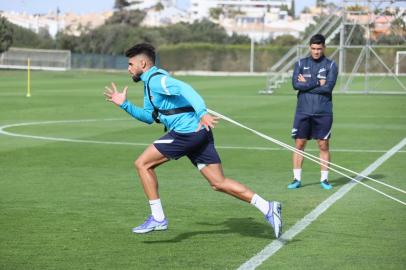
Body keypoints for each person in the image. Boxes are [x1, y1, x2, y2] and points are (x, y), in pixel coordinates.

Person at [104, 43, 282, 238]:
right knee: (218, 182)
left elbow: (186, 89)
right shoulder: (149, 86)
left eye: (130, 64)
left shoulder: (157, 80)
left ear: (143, 63)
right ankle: (268, 207)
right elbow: (148, 117)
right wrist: (125, 105)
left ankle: (158, 218)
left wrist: (203, 113)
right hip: (199, 134)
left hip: (186, 133)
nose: (128, 68)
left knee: (142, 164)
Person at [288, 34, 338, 190]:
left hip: (323, 112)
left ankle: (324, 180)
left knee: (323, 145)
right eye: (313, 48)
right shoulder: (301, 64)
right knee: (299, 144)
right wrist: (317, 82)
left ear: (324, 48)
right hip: (303, 111)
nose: (316, 51)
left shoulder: (331, 65)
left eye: (319, 48)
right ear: (309, 48)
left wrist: (307, 83)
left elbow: (328, 88)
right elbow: (295, 85)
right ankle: (296, 179)